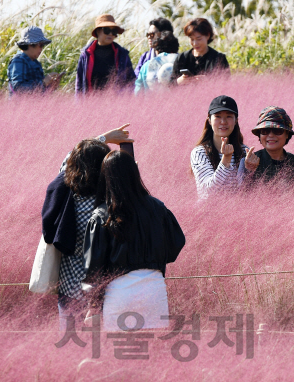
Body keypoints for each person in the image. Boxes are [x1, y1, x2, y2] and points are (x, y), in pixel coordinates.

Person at [41, 125, 133, 329]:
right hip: (103, 293)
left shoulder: (65, 195)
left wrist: (103, 137)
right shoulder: (109, 203)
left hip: (69, 290)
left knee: (70, 345)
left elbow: (69, 159)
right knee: (102, 348)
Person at [83, 150, 186, 331]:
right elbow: (176, 243)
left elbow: (94, 265)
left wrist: (93, 303)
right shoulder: (158, 208)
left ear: (106, 177)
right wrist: (153, 259)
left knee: (120, 353)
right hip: (155, 290)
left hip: (118, 293)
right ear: (135, 173)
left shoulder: (101, 214)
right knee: (153, 353)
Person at [240, 106, 294, 188]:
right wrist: (249, 172)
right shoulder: (248, 162)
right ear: (259, 135)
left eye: (277, 131)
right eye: (265, 131)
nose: (270, 135)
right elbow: (241, 197)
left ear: (287, 134)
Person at [191, 95, 248, 199]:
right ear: (209, 120)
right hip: (208, 213)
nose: (223, 122)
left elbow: (248, 192)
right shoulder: (200, 152)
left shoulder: (244, 151)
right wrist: (225, 161)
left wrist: (251, 170)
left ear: (236, 121)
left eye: (229, 116)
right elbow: (208, 192)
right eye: (217, 116)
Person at [75, 14, 136, 95]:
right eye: (106, 30)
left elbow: (131, 81)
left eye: (114, 31)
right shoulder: (86, 55)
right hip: (91, 104)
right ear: (98, 31)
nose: (110, 34)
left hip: (116, 104)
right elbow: (79, 84)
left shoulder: (122, 55)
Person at [173, 18, 229, 86]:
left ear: (208, 36)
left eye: (198, 39)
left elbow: (226, 84)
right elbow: (170, 85)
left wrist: (209, 82)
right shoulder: (182, 58)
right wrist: (178, 81)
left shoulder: (219, 59)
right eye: (191, 39)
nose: (195, 43)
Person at [7, 26, 60, 95]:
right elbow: (18, 88)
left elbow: (39, 92)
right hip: (20, 105)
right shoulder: (18, 61)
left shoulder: (35, 62)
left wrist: (51, 87)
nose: (42, 49)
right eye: (40, 45)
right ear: (30, 44)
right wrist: (44, 83)